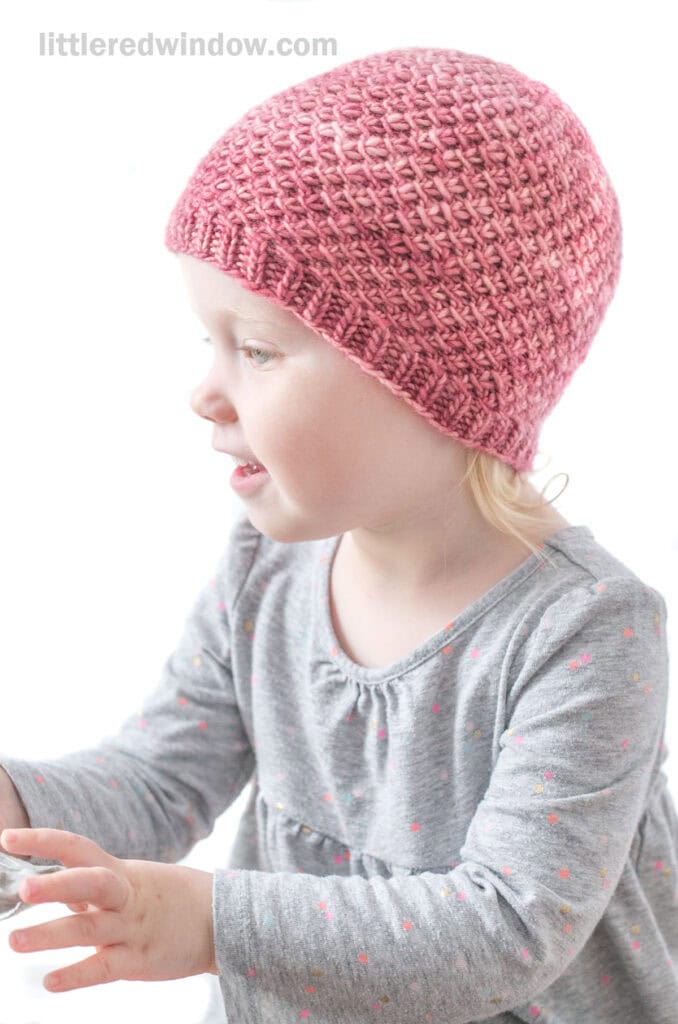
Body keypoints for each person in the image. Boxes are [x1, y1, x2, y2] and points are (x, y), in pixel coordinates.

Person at [1, 45, 676, 1024]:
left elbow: (503, 928)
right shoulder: (266, 570)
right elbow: (156, 777)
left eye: (259, 348)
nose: (204, 391)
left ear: (433, 385)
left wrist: (207, 922)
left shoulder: (588, 634)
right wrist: (19, 810)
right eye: (208, 338)